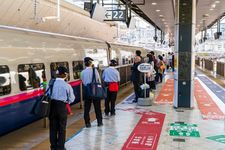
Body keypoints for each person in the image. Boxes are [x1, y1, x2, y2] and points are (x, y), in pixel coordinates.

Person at [48, 66, 75, 150]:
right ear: (64, 74)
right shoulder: (67, 85)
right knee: (62, 128)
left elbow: (47, 94)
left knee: (52, 128)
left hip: (52, 107)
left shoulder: (51, 83)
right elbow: (71, 99)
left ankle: (53, 147)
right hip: (62, 108)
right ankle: (61, 147)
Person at [81, 57, 103, 128]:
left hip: (87, 91)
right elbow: (98, 80)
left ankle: (87, 123)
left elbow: (83, 81)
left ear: (85, 64)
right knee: (97, 107)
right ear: (91, 63)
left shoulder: (82, 72)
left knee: (87, 108)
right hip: (95, 90)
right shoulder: (95, 71)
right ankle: (99, 122)